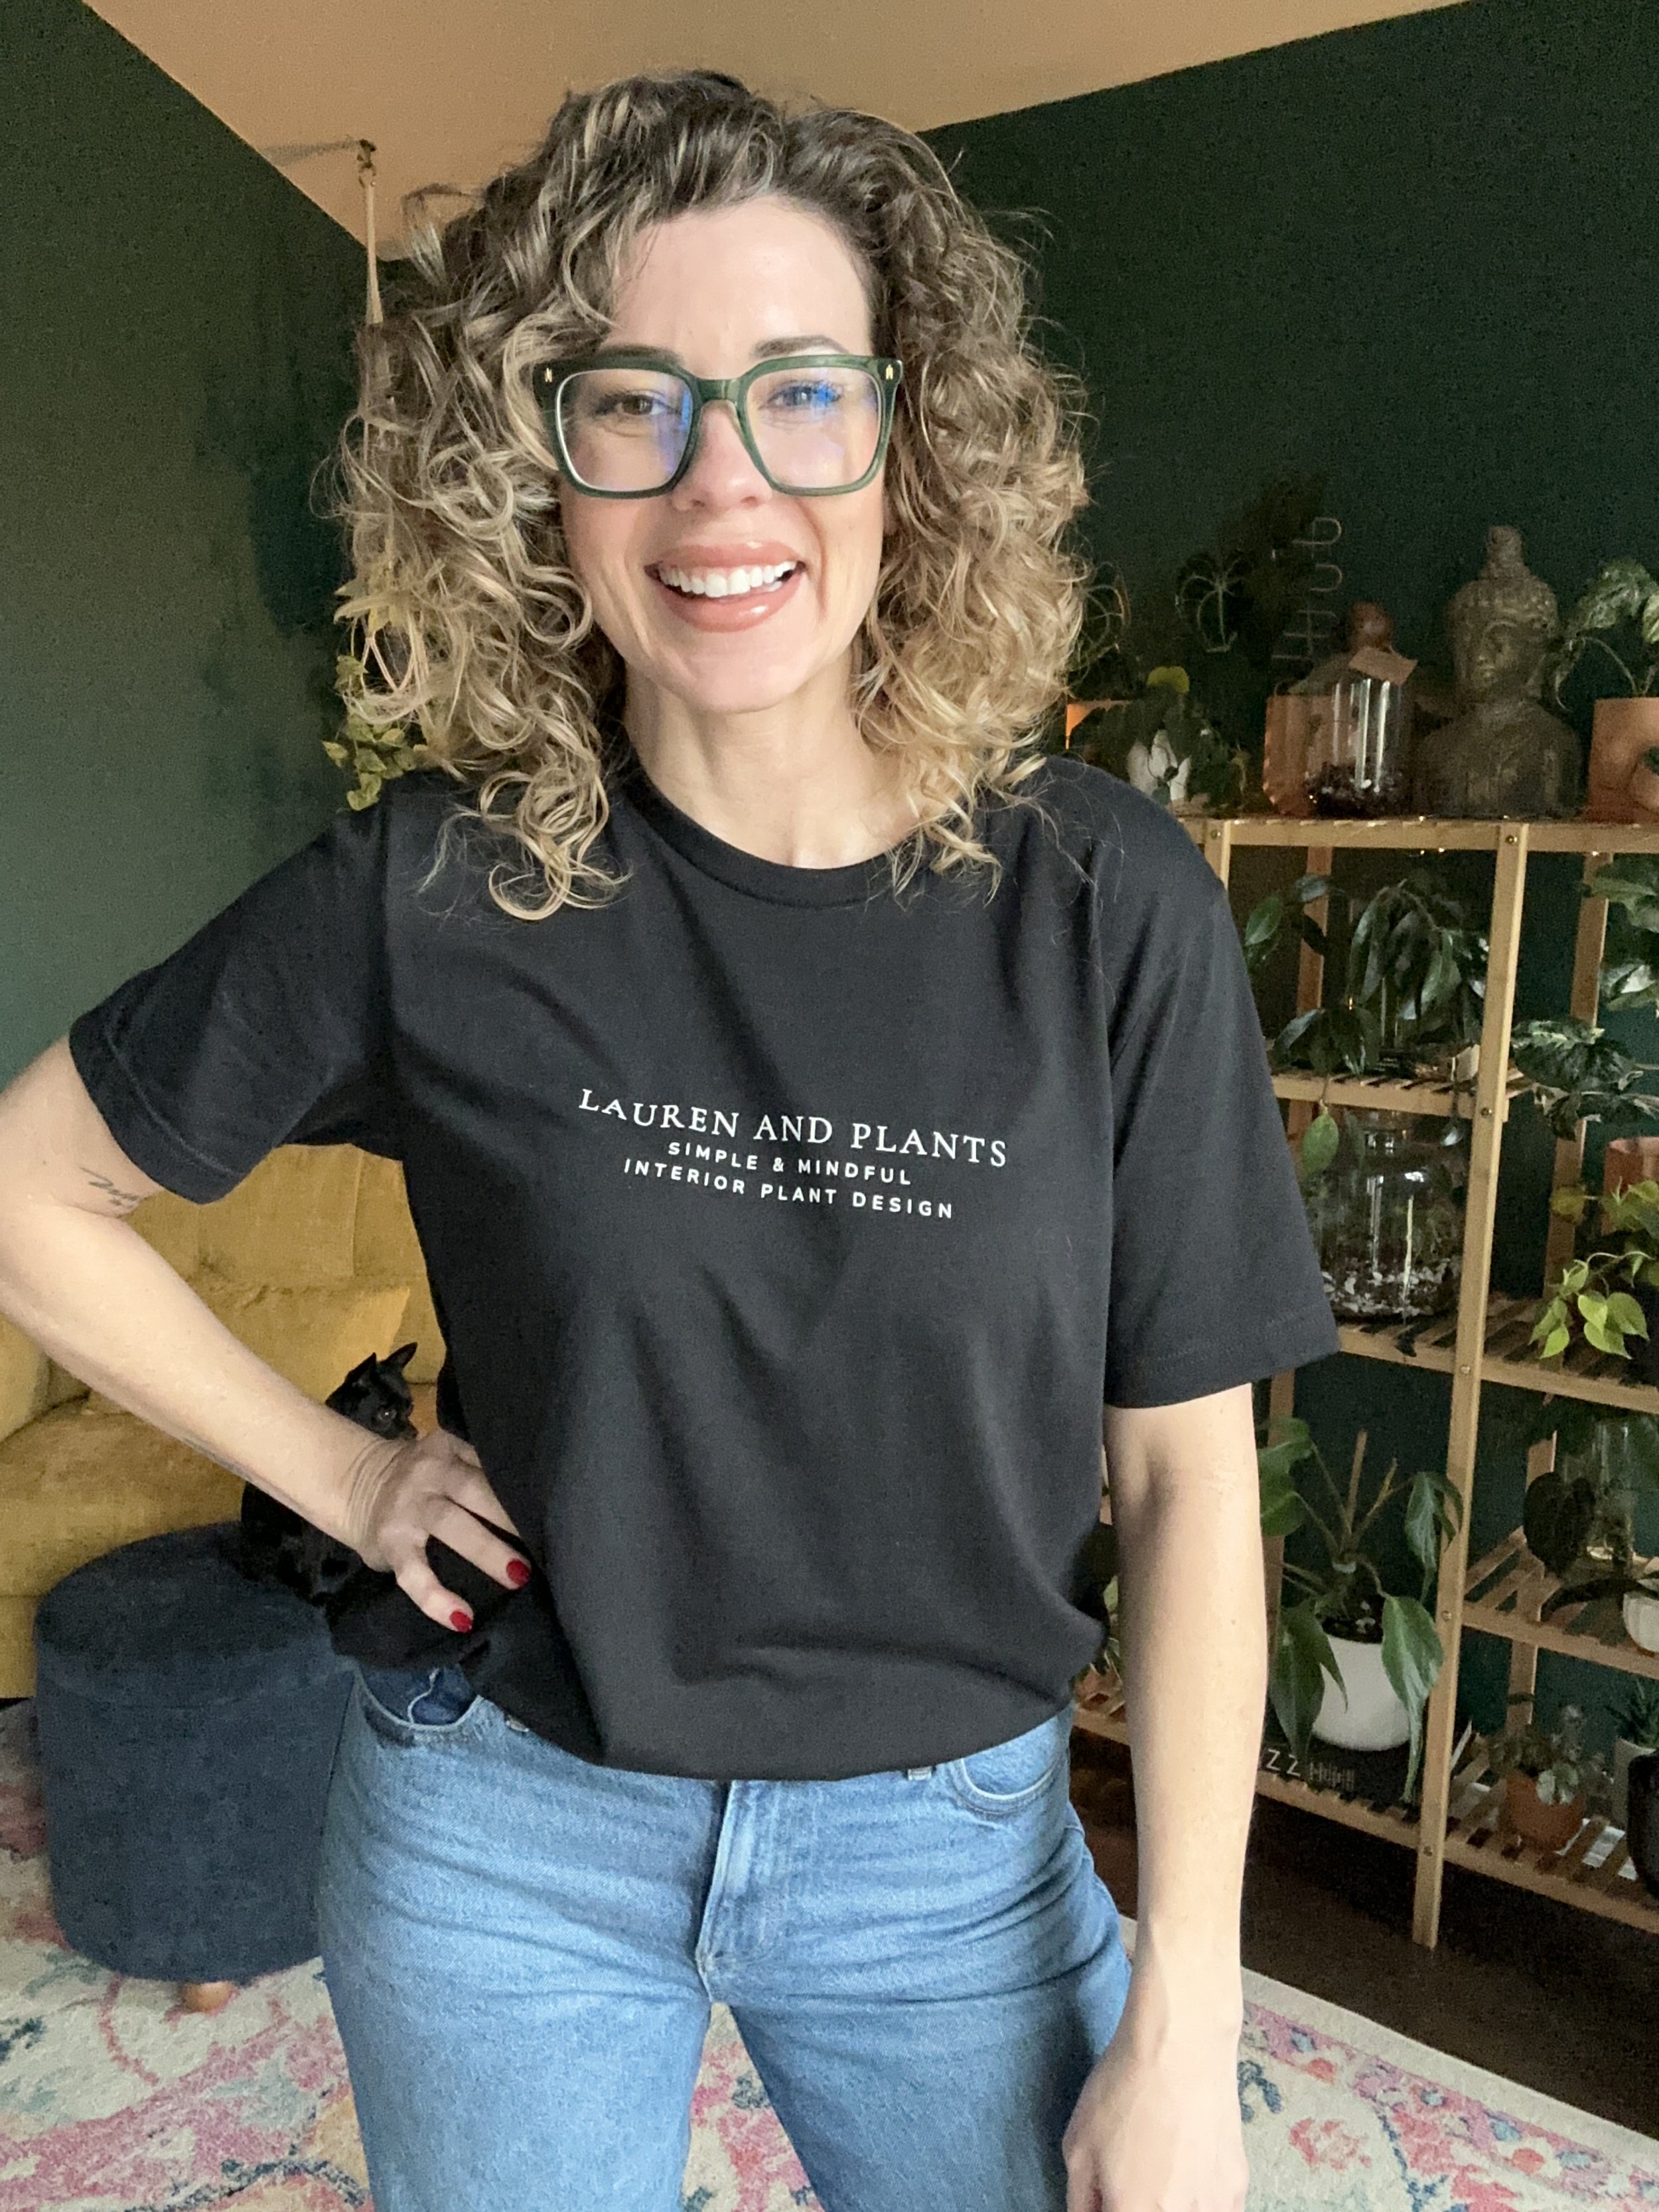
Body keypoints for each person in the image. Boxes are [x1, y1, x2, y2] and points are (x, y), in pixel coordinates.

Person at [0, 68, 1338, 2212]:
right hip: (506, 1836)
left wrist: (1189, 2016)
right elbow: (29, 1191)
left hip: (952, 1867)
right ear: (538, 472)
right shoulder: (434, 888)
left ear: (915, 447)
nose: (722, 487)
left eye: (802, 395)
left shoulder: (1102, 905)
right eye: (632, 404)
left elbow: (1187, 1481)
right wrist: (342, 1474)